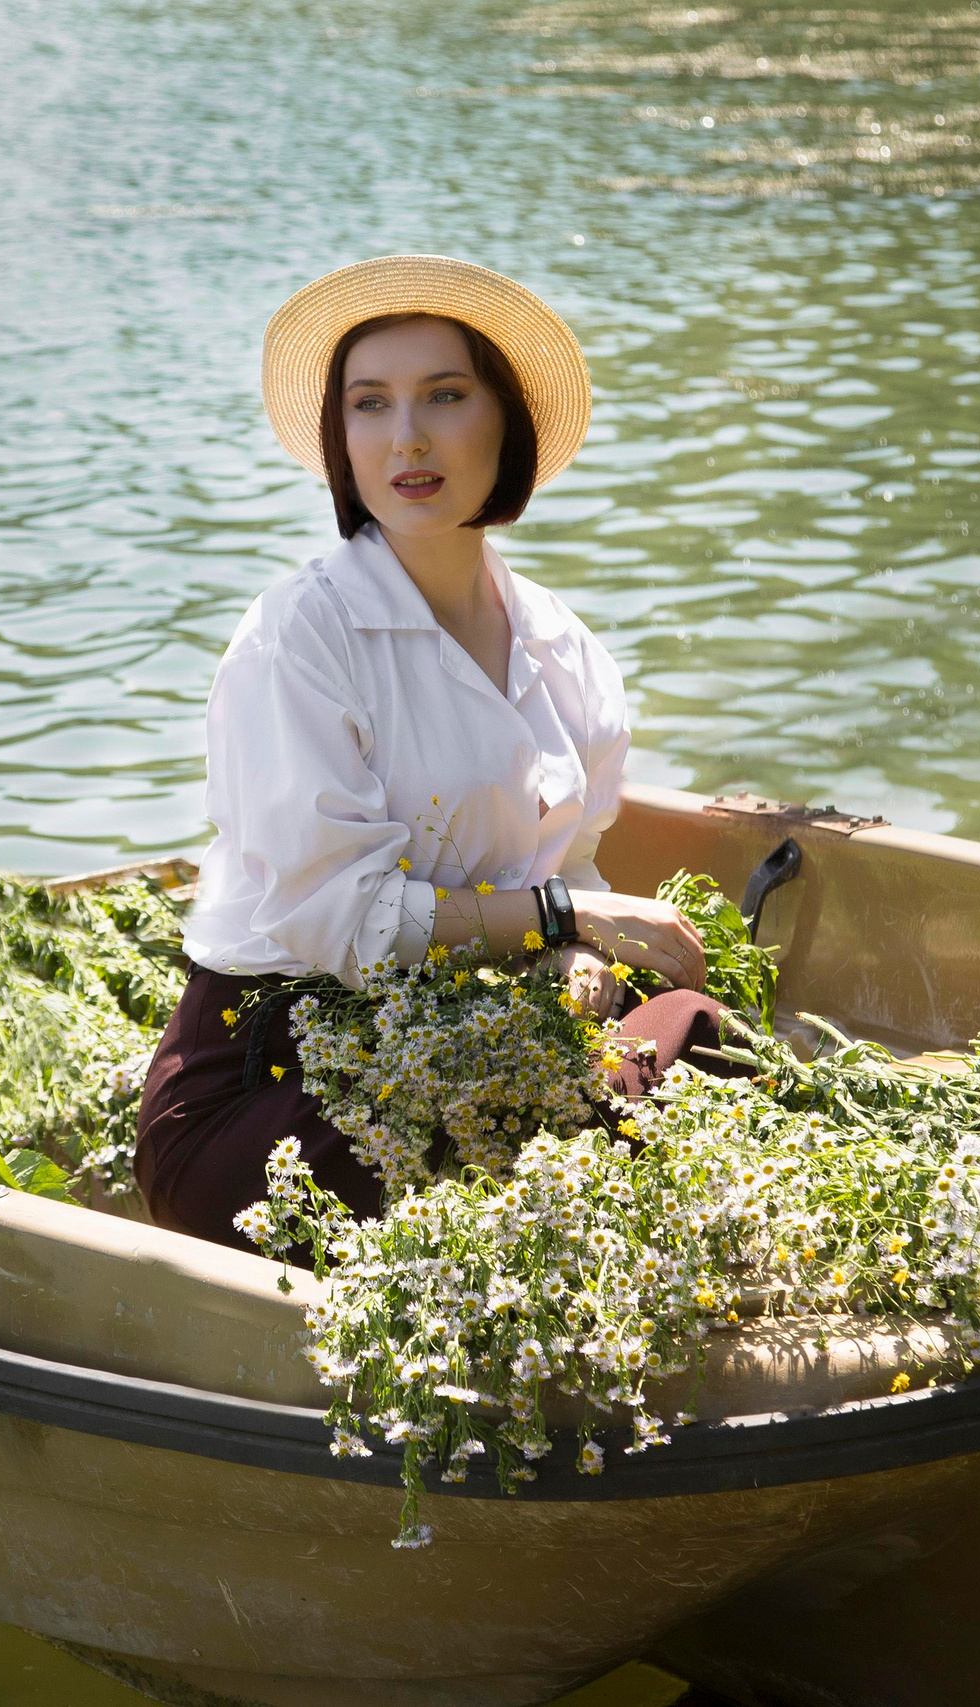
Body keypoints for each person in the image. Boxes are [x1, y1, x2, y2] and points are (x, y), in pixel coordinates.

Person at [135, 255, 737, 1251]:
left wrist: (577, 951)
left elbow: (565, 852)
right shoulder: (299, 639)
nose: (405, 437)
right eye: (369, 405)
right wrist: (563, 920)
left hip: (476, 1051)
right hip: (276, 1103)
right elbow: (341, 920)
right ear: (341, 440)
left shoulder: (563, 648)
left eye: (444, 396)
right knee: (680, 1053)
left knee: (690, 1036)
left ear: (506, 422)